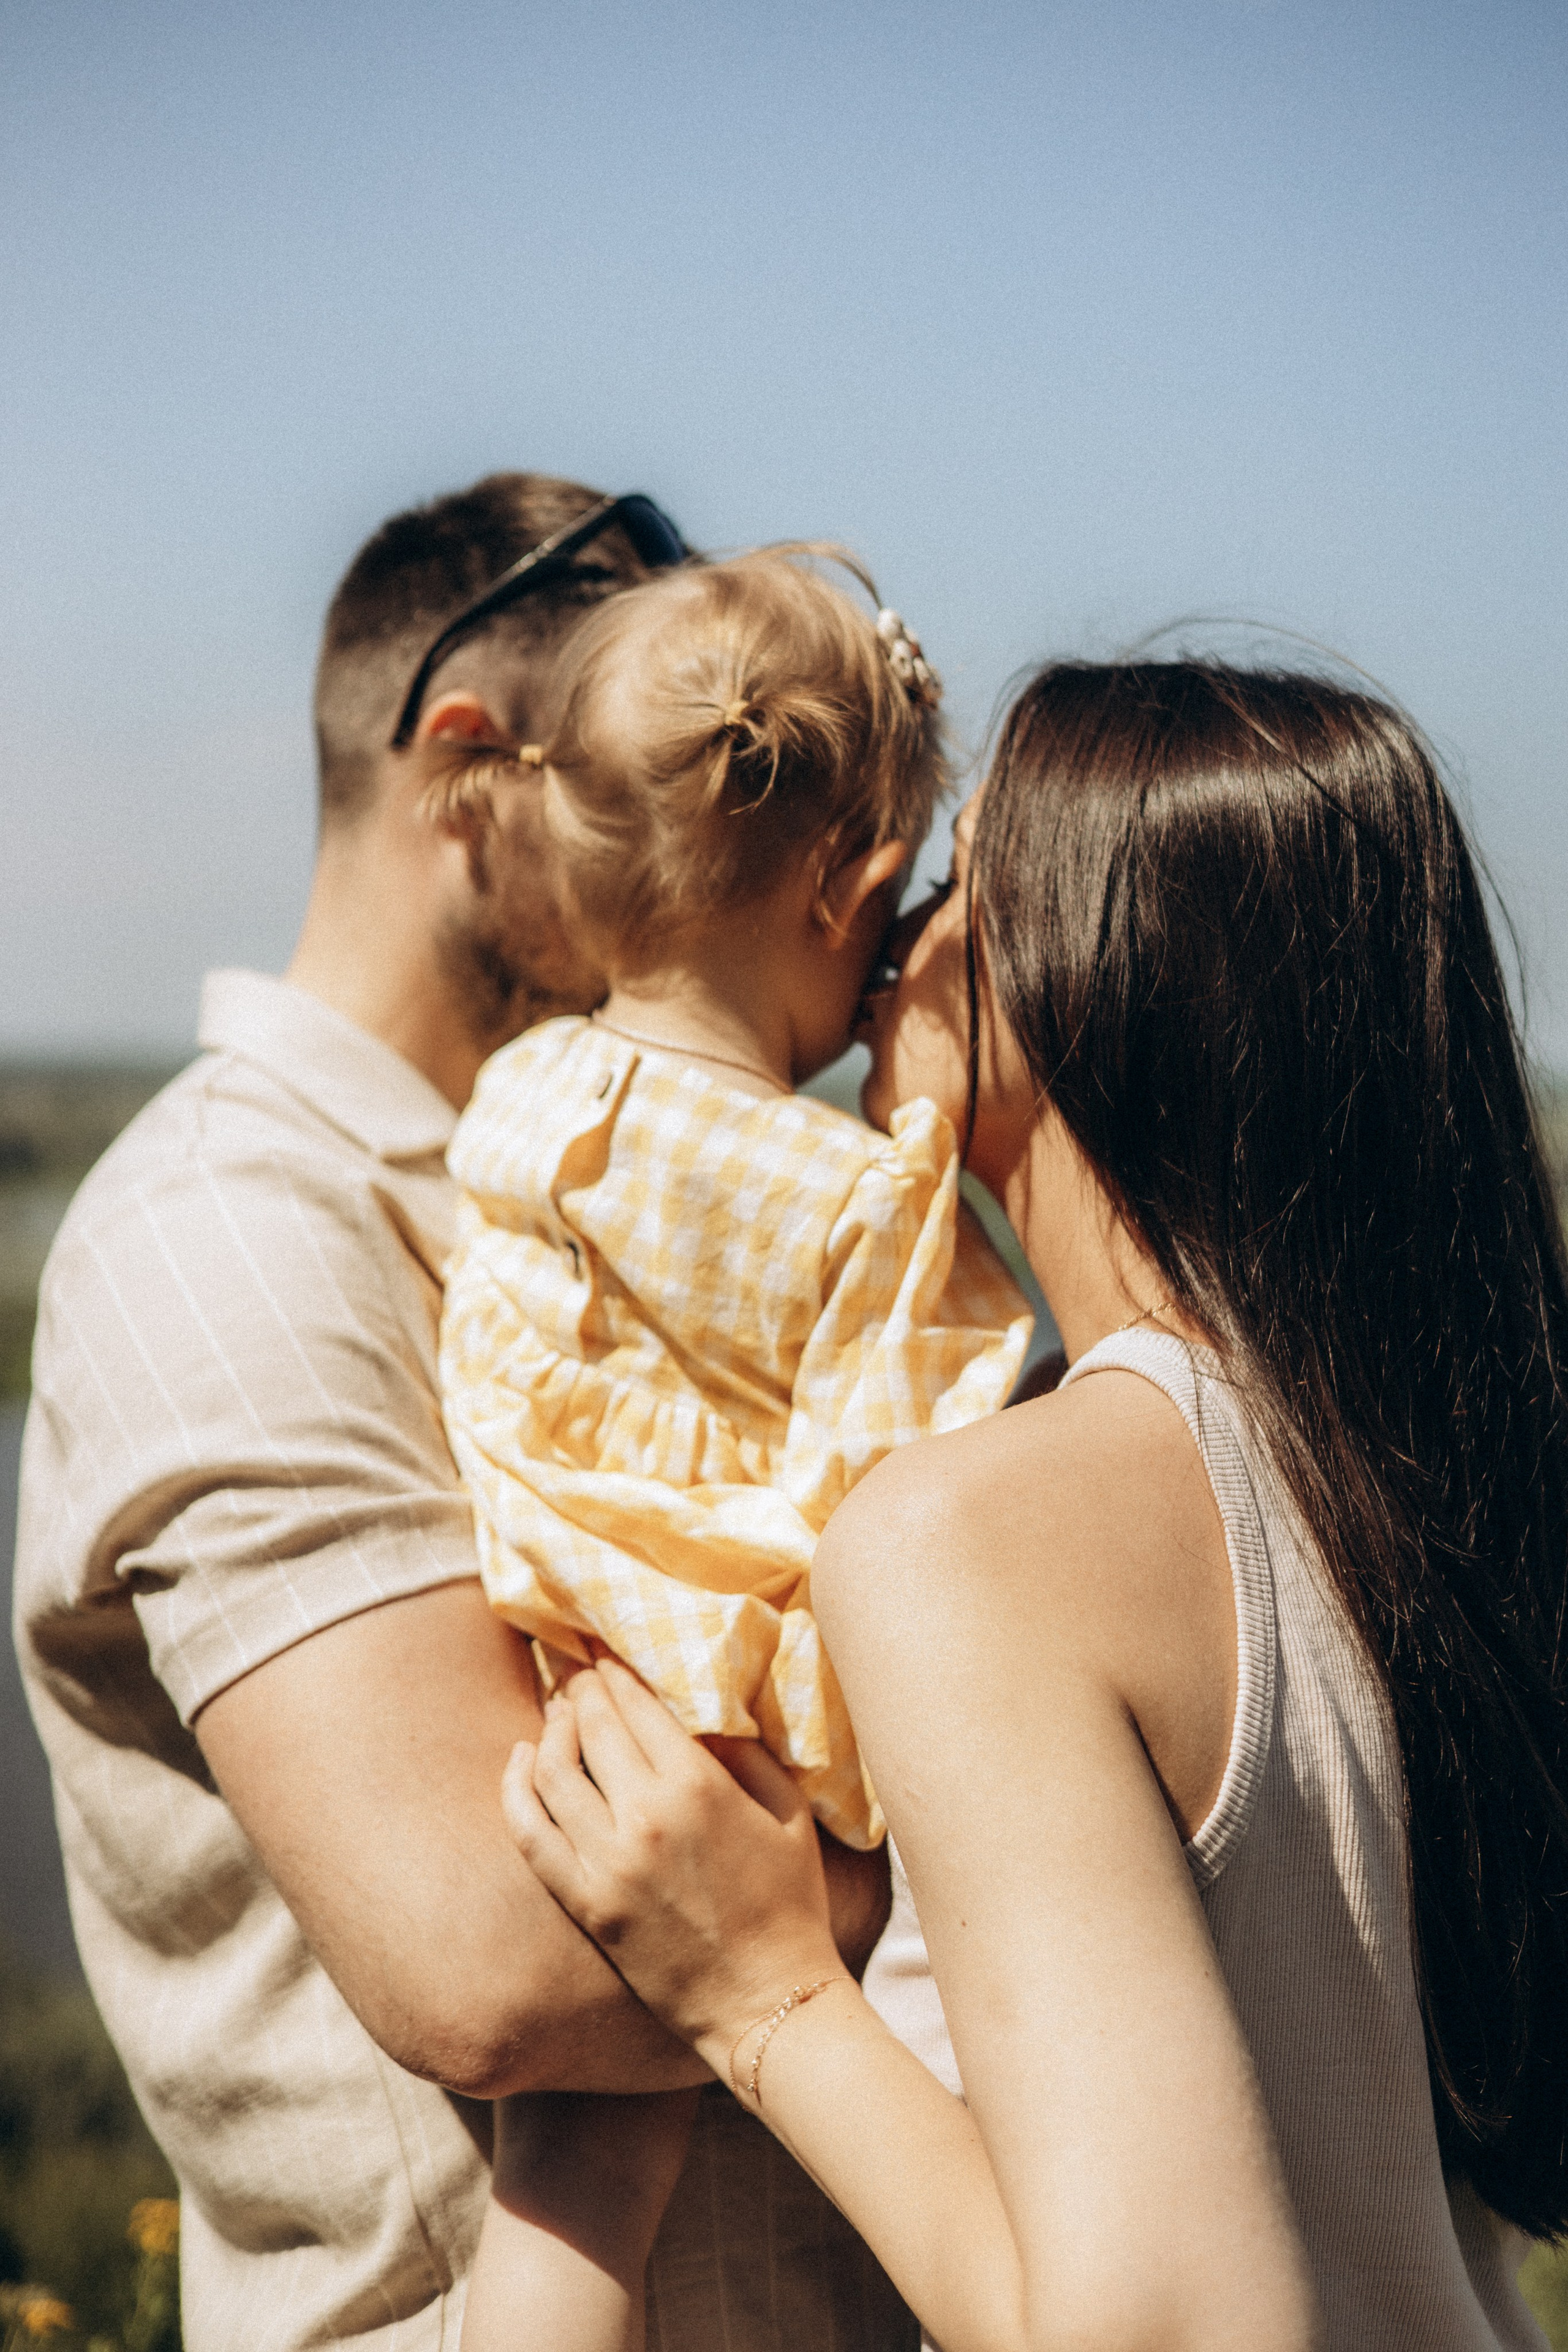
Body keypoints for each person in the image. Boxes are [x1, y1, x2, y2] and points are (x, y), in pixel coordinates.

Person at [498, 662, 1568, 2351]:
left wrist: (759, 1990)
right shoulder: (1403, 1484)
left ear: (1087, 970)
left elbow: (1158, 2329)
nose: (888, 946)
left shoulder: (977, 1534)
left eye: (949, 894)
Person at [12, 474, 908, 2351]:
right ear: (471, 763)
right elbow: (488, 1964)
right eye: (647, 772)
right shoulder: (228, 1236)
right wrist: (998, 1827)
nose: (698, 845)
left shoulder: (596, 1190)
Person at [435, 548, 1030, 2347]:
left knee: (569, 2182)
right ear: (847, 884)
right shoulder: (854, 1199)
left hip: (553, 1662)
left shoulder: (515, 1095)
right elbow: (902, 1494)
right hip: (728, 1720)